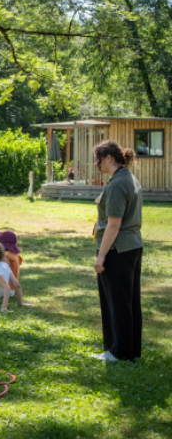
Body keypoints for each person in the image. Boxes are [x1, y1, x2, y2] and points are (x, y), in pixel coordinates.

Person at [92, 140, 143, 362]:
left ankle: (118, 352)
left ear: (109, 158)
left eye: (98, 159)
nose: (97, 164)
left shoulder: (117, 184)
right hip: (131, 246)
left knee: (117, 301)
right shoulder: (128, 178)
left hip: (117, 248)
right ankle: (130, 350)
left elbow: (113, 224)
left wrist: (101, 256)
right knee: (128, 299)